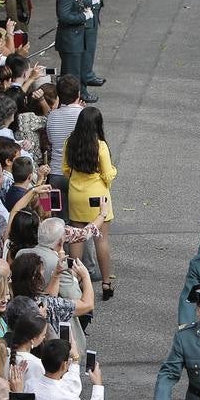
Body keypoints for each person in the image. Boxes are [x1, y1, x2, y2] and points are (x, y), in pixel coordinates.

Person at [61, 107, 116, 299]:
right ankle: (106, 283)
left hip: (76, 194)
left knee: (77, 237)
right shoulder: (100, 146)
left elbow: (65, 169)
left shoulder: (70, 141)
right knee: (101, 239)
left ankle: (75, 281)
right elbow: (108, 175)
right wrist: (113, 171)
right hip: (97, 196)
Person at [55, 0, 96, 103]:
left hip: (75, 38)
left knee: (76, 71)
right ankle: (69, 102)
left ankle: (75, 99)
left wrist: (88, 3)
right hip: (70, 40)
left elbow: (78, 3)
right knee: (71, 74)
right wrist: (83, 16)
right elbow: (64, 16)